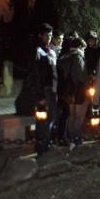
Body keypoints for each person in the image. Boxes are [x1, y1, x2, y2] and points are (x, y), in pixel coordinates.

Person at [31, 23, 57, 156]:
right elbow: (36, 75)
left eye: (51, 35)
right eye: (47, 35)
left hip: (50, 89)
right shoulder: (38, 51)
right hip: (43, 91)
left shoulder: (49, 50)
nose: (50, 37)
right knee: (42, 118)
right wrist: (40, 95)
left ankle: (46, 142)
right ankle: (41, 146)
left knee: (51, 116)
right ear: (40, 35)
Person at [58, 37, 89, 149]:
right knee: (79, 118)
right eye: (84, 48)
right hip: (79, 91)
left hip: (68, 91)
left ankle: (71, 140)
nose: (84, 50)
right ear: (80, 47)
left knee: (72, 117)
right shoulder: (78, 57)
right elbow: (81, 76)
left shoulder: (64, 57)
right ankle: (75, 141)